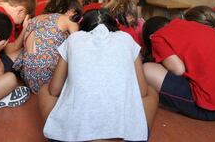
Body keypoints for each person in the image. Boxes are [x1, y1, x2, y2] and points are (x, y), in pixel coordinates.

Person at [39, 9, 159, 142]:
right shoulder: (126, 39)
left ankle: (61, 131)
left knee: (45, 90)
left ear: (82, 27)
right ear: (115, 26)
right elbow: (142, 91)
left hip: (72, 137)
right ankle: (134, 134)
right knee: (151, 92)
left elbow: (54, 89)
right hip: (124, 137)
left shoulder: (73, 39)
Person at [142, 7, 215, 121]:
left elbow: (178, 70)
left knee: (147, 69)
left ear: (151, 36)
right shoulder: (192, 25)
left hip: (213, 109)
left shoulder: (157, 36)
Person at [13, 0, 81, 94]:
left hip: (29, 78)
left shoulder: (34, 19)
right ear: (71, 11)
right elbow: (79, 47)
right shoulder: (67, 20)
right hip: (49, 78)